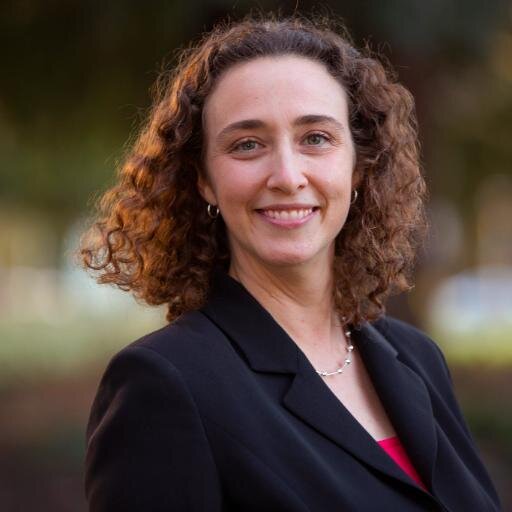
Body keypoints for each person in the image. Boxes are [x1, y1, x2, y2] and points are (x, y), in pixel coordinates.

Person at [80, 14, 502, 512]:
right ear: (204, 180)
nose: (286, 174)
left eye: (316, 138)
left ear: (359, 165)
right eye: (247, 145)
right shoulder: (165, 385)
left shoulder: (416, 358)